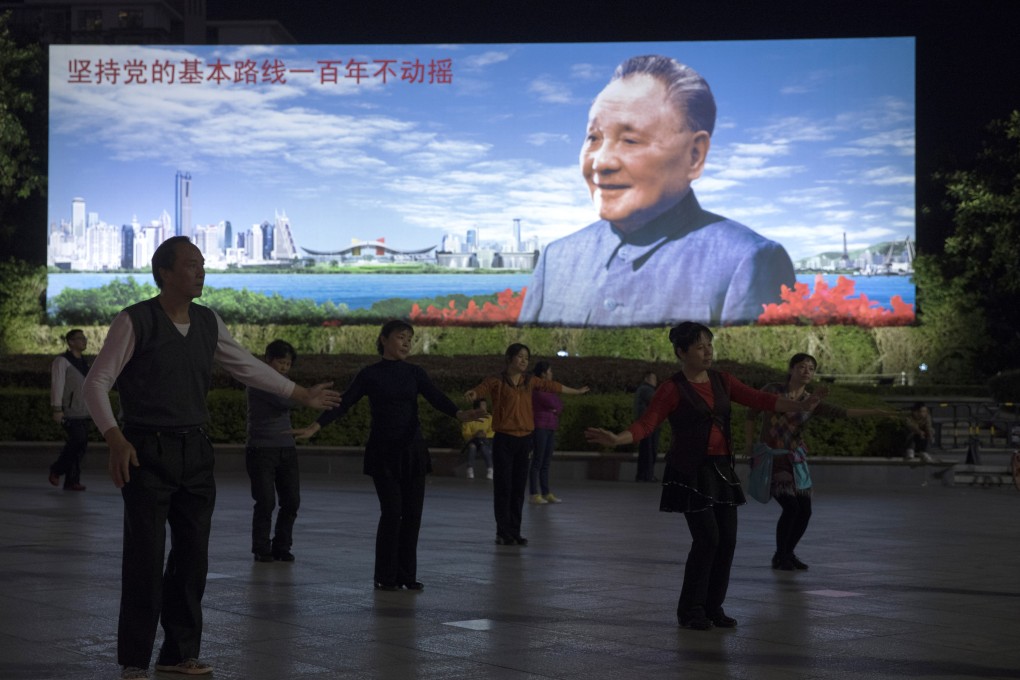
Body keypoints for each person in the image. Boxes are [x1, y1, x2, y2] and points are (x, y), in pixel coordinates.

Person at [83, 236, 341, 680]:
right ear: (164, 272)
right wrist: (115, 439)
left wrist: (300, 394)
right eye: (191, 265)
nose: (201, 272)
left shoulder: (207, 321)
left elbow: (245, 365)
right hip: (147, 450)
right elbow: (95, 383)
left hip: (195, 451)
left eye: (203, 264)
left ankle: (180, 653)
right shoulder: (135, 320)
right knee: (145, 557)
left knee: (192, 556)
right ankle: (134, 660)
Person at [518, 54, 794, 327]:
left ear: (694, 155)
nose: (601, 162)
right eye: (594, 138)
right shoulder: (557, 257)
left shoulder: (746, 261)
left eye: (630, 140)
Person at [584, 322, 821, 631]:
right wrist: (618, 439)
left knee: (728, 540)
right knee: (708, 539)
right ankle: (691, 609)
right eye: (699, 346)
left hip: (721, 469)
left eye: (709, 345)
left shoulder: (722, 380)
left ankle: (713, 606)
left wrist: (799, 405)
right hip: (689, 471)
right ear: (682, 352)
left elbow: (759, 400)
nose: (708, 351)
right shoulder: (672, 388)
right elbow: (647, 423)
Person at [291, 320, 483, 592]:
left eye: (410, 339)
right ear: (383, 339)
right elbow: (344, 403)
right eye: (401, 337)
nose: (407, 343)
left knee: (413, 515)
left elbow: (436, 397)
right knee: (392, 513)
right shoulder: (370, 374)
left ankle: (407, 575)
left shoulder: (415, 372)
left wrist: (460, 414)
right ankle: (385, 576)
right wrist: (315, 426)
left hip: (412, 451)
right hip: (384, 453)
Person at [745, 353, 895, 572]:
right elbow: (751, 413)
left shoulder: (812, 401)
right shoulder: (773, 390)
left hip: (796, 460)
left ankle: (787, 553)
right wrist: (749, 444)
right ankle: (781, 555)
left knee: (804, 510)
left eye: (811, 368)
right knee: (791, 507)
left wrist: (876, 412)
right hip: (773, 458)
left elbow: (843, 412)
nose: (806, 371)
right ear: (791, 369)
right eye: (802, 366)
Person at [466, 344, 589, 546]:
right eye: (520, 357)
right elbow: (482, 389)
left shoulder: (529, 381)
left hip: (524, 440)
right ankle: (502, 531)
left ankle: (515, 531)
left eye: (526, 358)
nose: (524, 361)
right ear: (509, 359)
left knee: (517, 488)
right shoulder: (497, 380)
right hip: (504, 439)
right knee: (503, 488)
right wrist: (473, 393)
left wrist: (576, 391)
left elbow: (553, 386)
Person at [246, 339, 303, 563]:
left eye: (288, 364)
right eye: (280, 362)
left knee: (291, 501)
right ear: (268, 360)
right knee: (266, 501)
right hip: (261, 448)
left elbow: (290, 398)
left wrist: (297, 393)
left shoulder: (286, 383)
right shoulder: (260, 381)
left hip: (286, 448)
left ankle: (282, 546)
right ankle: (261, 547)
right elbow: (284, 402)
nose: (284, 368)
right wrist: (302, 395)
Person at [48, 328, 91, 491]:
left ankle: (72, 481)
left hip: (84, 410)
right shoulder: (62, 361)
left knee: (80, 446)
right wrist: (57, 409)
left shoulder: (84, 362)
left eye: (84, 338)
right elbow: (57, 385)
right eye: (80, 338)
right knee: (77, 441)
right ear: (70, 342)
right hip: (69, 411)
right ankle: (57, 469)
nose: (84, 341)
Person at [529, 360, 564, 504]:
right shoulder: (537, 389)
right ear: (543, 374)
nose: (551, 374)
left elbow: (559, 405)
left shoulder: (550, 389)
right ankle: (534, 494)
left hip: (551, 427)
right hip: (540, 427)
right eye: (550, 371)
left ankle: (546, 492)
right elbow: (551, 403)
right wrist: (554, 407)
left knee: (546, 462)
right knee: (537, 461)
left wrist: (555, 407)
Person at [633, 371, 660, 482]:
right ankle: (647, 476)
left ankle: (643, 475)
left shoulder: (643, 389)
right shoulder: (646, 389)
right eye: (653, 378)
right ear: (647, 379)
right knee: (649, 451)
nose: (655, 381)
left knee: (646, 451)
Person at [462, 399, 494, 480]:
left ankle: (490, 469)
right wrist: (475, 435)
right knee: (472, 446)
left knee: (483, 446)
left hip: (486, 440)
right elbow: (465, 432)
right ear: (477, 408)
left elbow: (493, 431)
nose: (485, 407)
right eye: (483, 405)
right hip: (473, 440)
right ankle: (470, 469)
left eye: (485, 405)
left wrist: (484, 435)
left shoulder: (489, 417)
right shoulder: (469, 418)